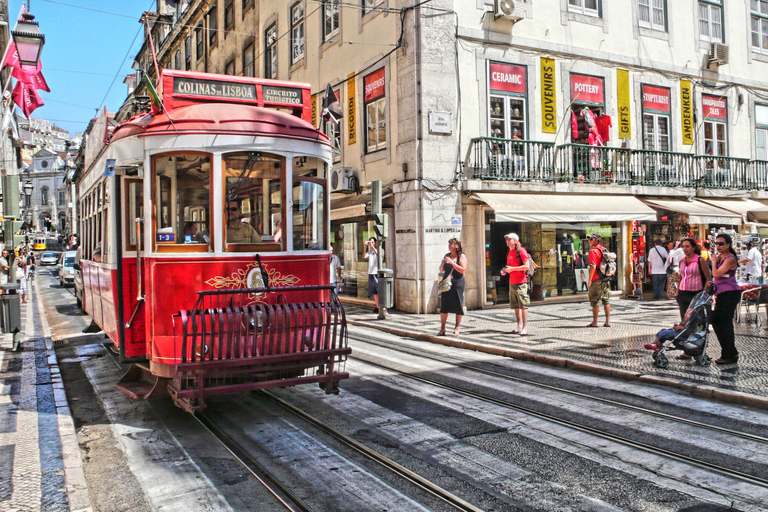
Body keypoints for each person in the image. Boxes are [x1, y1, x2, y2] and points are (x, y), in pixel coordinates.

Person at [710, 233, 741, 365]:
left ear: (728, 245)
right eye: (716, 243)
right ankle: (730, 351)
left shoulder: (730, 258)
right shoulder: (720, 257)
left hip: (730, 293)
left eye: (721, 243)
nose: (718, 246)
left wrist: (713, 263)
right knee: (717, 322)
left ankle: (729, 354)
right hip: (722, 293)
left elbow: (716, 274)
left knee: (725, 323)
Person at [676, 237, 712, 321]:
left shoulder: (700, 260)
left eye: (687, 246)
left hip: (696, 294)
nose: (685, 248)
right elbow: (681, 277)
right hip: (683, 293)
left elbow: (708, 278)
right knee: (684, 319)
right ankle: (686, 334)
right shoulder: (681, 261)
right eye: (683, 246)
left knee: (696, 319)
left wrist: (704, 294)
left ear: (693, 248)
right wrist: (677, 292)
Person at [500, 233, 530, 336]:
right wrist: (505, 270)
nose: (507, 241)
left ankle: (525, 328)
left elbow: (527, 266)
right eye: (506, 239)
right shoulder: (510, 252)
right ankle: (519, 326)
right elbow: (510, 266)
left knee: (523, 305)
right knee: (516, 306)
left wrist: (512, 269)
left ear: (515, 241)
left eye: (509, 239)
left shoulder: (521, 251)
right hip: (512, 282)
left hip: (521, 282)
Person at [437, 238, 468, 337]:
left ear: (456, 246)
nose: (449, 245)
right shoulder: (447, 255)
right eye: (449, 243)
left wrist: (452, 262)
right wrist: (442, 264)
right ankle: (442, 328)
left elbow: (463, 270)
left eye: (451, 244)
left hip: (457, 282)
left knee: (458, 304)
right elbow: (442, 270)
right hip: (447, 282)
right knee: (444, 306)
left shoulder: (461, 256)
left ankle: (457, 328)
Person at [586, 233, 611, 327]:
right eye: (589, 239)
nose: (589, 241)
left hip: (596, 279)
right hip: (605, 278)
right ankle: (607, 322)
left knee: (595, 301)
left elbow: (593, 267)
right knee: (606, 300)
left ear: (597, 240)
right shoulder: (604, 249)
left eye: (591, 239)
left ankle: (595, 322)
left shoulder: (594, 251)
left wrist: (590, 280)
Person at [363, 237, 383, 314]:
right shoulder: (370, 252)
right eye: (370, 242)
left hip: (376, 273)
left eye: (372, 242)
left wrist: (373, 247)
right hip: (370, 273)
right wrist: (365, 247)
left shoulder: (381, 250)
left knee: (380, 291)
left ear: (376, 242)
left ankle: (382, 307)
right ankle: (378, 307)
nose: (371, 244)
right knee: (374, 292)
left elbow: (379, 255)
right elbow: (364, 256)